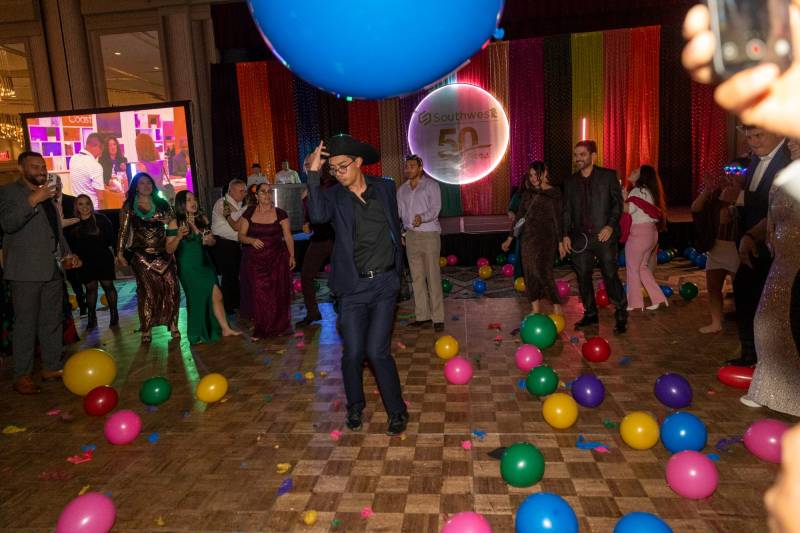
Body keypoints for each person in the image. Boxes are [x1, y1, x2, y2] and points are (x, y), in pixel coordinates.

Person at [683, 0, 800, 408]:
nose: (751, 141)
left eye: (756, 135)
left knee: (781, 318)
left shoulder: (789, 160)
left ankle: (779, 379)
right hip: (754, 245)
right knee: (753, 306)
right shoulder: (753, 161)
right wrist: (737, 212)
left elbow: (781, 202)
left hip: (781, 249)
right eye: (748, 136)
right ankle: (753, 361)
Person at [306, 134, 409, 436]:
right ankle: (355, 405)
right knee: (352, 353)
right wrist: (313, 173)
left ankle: (397, 410)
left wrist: (398, 266)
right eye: (333, 169)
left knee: (377, 351)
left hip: (385, 284)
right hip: (352, 288)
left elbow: (394, 225)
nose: (338, 173)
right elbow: (317, 216)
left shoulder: (385, 188)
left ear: (359, 162)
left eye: (343, 167)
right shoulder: (333, 197)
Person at [0, 152, 80, 394]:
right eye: (34, 166)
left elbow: (54, 230)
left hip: (52, 269)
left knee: (51, 321)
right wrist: (33, 200)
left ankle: (51, 367)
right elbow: (7, 224)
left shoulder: (47, 194)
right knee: (26, 324)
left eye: (43, 166)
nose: (41, 170)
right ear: (21, 168)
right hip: (25, 271)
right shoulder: (8, 192)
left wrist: (67, 253)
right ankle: (22, 375)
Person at [561, 140, 628, 333]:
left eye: (582, 154)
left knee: (610, 274)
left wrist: (610, 226)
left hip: (604, 235)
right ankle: (590, 313)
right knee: (582, 276)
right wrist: (565, 235)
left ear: (593, 156)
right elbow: (566, 211)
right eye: (576, 155)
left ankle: (621, 311)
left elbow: (617, 204)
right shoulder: (570, 182)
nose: (578, 158)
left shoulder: (608, 176)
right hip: (580, 238)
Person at [168, 191, 240, 344]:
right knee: (197, 298)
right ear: (181, 204)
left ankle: (225, 329)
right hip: (188, 266)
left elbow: (213, 242)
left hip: (205, 263)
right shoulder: (175, 223)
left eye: (194, 199)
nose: (193, 202)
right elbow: (169, 249)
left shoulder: (202, 219)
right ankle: (196, 333)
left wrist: (209, 240)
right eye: (188, 200)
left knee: (217, 295)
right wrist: (179, 237)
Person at [116, 173, 180, 344]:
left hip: (164, 253)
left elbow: (173, 224)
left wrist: (169, 221)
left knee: (172, 288)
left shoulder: (162, 204)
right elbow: (123, 231)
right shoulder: (129, 206)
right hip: (141, 255)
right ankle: (146, 328)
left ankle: (173, 324)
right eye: (142, 183)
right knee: (148, 291)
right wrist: (119, 253)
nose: (146, 185)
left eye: (149, 182)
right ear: (136, 187)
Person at [691, 159, 748, 333]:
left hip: (736, 249)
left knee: (742, 290)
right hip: (716, 247)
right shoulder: (718, 192)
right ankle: (716, 323)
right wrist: (707, 190)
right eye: (729, 170)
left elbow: (729, 218)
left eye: (737, 171)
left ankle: (745, 326)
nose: (731, 174)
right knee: (713, 287)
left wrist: (734, 195)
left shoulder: (748, 194)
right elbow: (696, 208)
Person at [502, 162, 563, 316]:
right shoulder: (527, 194)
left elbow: (558, 219)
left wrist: (561, 242)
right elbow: (519, 218)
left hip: (547, 240)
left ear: (545, 173)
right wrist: (510, 238)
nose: (533, 178)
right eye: (531, 175)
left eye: (537, 174)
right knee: (529, 273)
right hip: (528, 239)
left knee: (544, 272)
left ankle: (556, 304)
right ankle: (535, 308)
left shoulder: (554, 193)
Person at [238, 183, 295, 339]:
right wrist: (251, 240)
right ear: (256, 196)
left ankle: (278, 326)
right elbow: (240, 236)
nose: (267, 194)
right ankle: (261, 328)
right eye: (263, 192)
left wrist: (292, 255)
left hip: (277, 259)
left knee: (277, 293)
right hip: (256, 261)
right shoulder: (249, 212)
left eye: (269, 191)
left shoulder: (280, 213)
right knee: (259, 294)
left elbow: (288, 236)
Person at [397, 154, 444, 331]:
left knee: (433, 277)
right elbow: (400, 214)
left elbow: (435, 209)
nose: (408, 169)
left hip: (429, 235)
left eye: (412, 166)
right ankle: (422, 316)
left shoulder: (431, 186)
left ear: (420, 167)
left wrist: (421, 218)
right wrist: (401, 232)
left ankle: (438, 318)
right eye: (406, 167)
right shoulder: (402, 190)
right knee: (416, 278)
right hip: (411, 236)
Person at [67, 195, 118, 330]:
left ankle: (114, 315)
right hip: (84, 262)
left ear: (91, 205)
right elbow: (70, 245)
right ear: (76, 206)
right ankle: (91, 318)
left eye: (87, 203)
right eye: (81, 204)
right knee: (90, 289)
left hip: (103, 258)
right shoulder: (73, 223)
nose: (84, 207)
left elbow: (111, 239)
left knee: (108, 286)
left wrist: (116, 255)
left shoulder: (101, 219)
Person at [297, 155, 335, 327]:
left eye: (310, 163)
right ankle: (312, 313)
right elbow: (311, 213)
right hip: (318, 239)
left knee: (342, 275)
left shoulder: (331, 184)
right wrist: (306, 222)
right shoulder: (308, 189)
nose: (308, 166)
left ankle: (347, 309)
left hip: (335, 238)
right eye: (306, 164)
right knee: (306, 275)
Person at [623, 165, 668, 311]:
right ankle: (659, 298)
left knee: (632, 269)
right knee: (642, 268)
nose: (632, 171)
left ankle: (635, 304)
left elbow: (628, 209)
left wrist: (620, 199)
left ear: (642, 176)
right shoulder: (648, 191)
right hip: (651, 234)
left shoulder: (637, 191)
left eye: (636, 171)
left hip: (638, 234)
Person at [211, 179, 247, 315]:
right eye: (241, 191)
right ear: (231, 191)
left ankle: (236, 303)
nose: (244, 193)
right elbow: (233, 223)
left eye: (245, 190)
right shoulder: (223, 203)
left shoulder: (240, 204)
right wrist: (247, 209)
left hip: (234, 243)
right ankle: (227, 306)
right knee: (229, 275)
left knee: (235, 274)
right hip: (223, 243)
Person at [69, 132, 105, 209]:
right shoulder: (95, 166)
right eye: (101, 149)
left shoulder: (73, 159)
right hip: (92, 210)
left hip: (77, 208)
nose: (100, 154)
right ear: (96, 146)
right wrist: (102, 213)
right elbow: (101, 198)